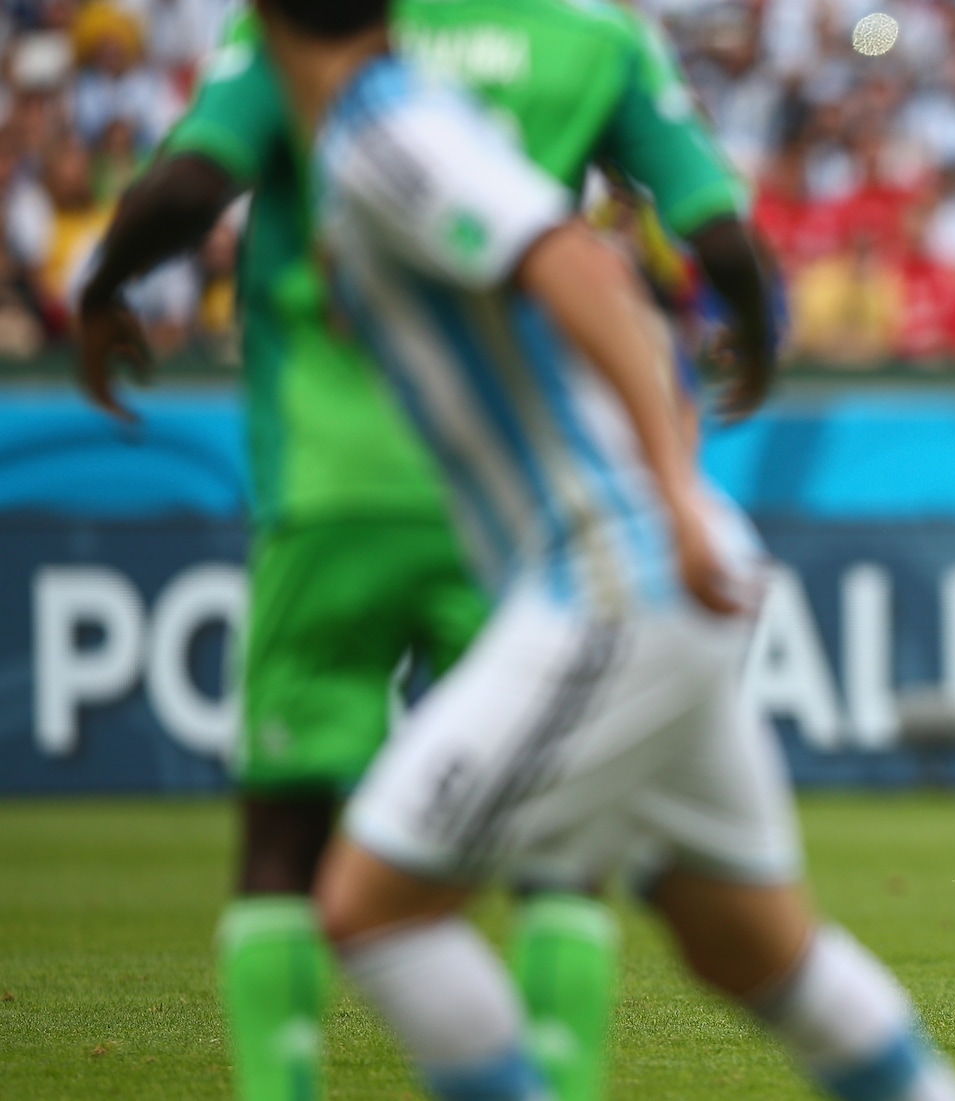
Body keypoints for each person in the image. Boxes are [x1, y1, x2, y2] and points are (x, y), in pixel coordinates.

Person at [250, 1, 955, 1100]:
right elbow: (606, 282)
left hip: (610, 579)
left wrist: (673, 499)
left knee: (370, 910)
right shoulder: (404, 127)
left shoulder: (384, 128)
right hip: (644, 572)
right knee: (751, 945)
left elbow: (579, 269)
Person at [73, 3, 776, 1099]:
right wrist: (755, 334)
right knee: (556, 844)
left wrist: (104, 287)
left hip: (330, 483)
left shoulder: (316, 27)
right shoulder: (593, 35)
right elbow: (717, 230)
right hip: (510, 502)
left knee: (286, 832)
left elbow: (190, 187)